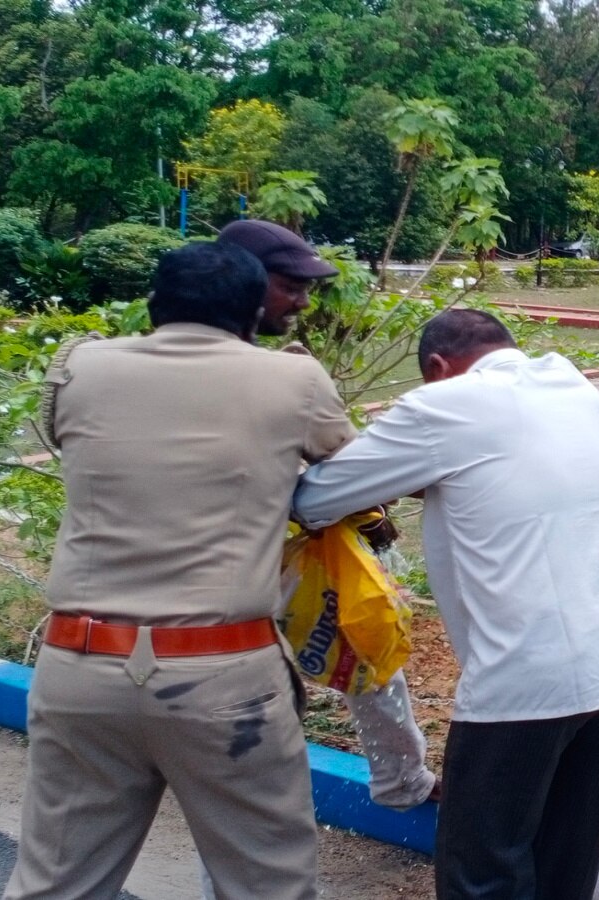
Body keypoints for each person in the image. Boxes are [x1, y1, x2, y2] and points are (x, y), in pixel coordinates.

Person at [4, 240, 355, 900]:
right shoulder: (293, 379)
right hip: (222, 679)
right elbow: (350, 469)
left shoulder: (81, 365)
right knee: (266, 883)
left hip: (80, 668)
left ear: (153, 305)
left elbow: (61, 438)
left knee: (57, 883)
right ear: (253, 309)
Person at [293, 308, 599, 900]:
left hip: (527, 683)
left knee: (482, 870)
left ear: (437, 368)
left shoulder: (442, 406)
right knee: (565, 856)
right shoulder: (570, 385)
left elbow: (313, 500)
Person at [217, 218, 437, 813]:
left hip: (185, 602)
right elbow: (349, 465)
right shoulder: (288, 373)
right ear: (243, 282)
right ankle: (400, 780)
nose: (303, 300)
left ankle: (399, 778)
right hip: (280, 561)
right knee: (364, 655)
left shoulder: (127, 369)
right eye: (290, 285)